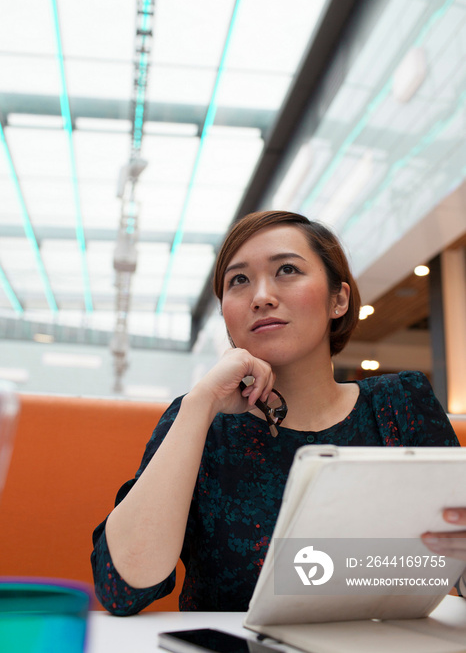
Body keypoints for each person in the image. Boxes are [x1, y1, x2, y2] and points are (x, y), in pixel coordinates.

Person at [91, 210, 466, 615]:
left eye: (287, 269)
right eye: (239, 280)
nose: (261, 296)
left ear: (338, 299)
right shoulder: (200, 422)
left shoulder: (400, 403)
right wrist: (201, 403)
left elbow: (455, 564)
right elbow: (123, 589)